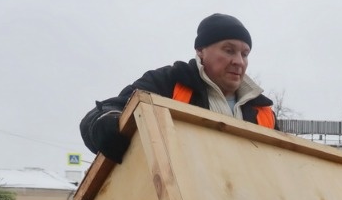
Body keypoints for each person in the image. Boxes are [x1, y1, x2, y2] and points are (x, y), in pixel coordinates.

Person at [80, 13, 276, 163]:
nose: (239, 61)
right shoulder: (168, 83)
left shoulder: (263, 111)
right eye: (229, 50)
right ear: (200, 51)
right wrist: (104, 124)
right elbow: (105, 113)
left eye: (245, 53)